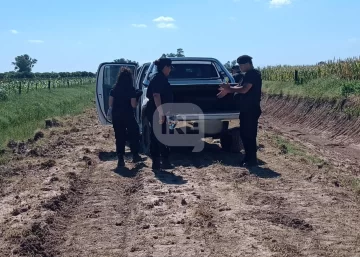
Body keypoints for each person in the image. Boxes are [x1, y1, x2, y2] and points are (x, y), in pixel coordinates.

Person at [217, 55, 262, 167]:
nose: (240, 67)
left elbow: (244, 89)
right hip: (246, 109)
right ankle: (248, 158)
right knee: (245, 134)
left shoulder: (252, 74)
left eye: (242, 65)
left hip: (250, 109)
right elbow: (238, 85)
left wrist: (229, 89)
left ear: (248, 64)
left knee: (249, 135)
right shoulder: (247, 75)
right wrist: (228, 88)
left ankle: (252, 160)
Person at [107, 67, 142, 168]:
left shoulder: (114, 89)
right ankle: (135, 155)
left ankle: (120, 158)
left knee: (119, 136)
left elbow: (110, 104)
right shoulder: (131, 89)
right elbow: (133, 105)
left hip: (117, 116)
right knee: (134, 134)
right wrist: (137, 96)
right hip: (128, 115)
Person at [145, 57, 174, 170]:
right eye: (170, 67)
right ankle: (159, 162)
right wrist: (161, 113)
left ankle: (161, 162)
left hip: (157, 110)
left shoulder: (159, 77)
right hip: (157, 111)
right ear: (165, 67)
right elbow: (156, 95)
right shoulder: (158, 78)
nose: (170, 70)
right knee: (158, 136)